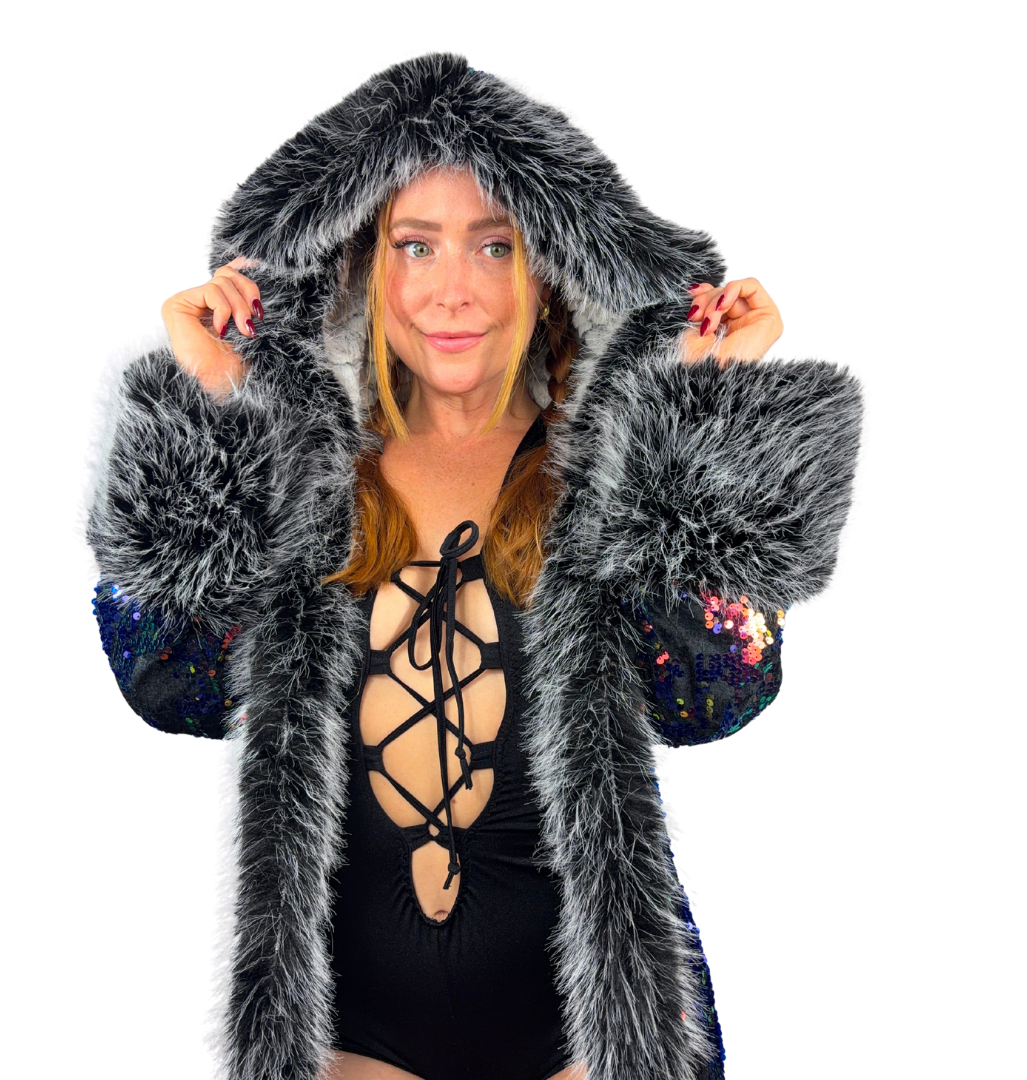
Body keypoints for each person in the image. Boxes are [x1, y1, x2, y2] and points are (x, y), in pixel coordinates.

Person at [87, 54, 862, 1080]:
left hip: (584, 1036)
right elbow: (167, 682)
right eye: (416, 245)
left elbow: (719, 693)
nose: (452, 289)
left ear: (547, 271)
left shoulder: (608, 476)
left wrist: (699, 409)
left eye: (495, 245)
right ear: (363, 267)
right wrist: (217, 405)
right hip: (348, 1035)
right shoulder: (303, 473)